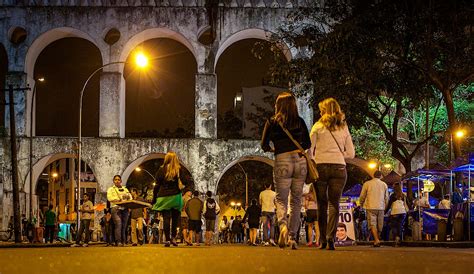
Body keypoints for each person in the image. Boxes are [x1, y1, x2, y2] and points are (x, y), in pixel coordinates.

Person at [261, 91, 311, 250]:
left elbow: (264, 144)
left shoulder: (272, 121)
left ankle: (282, 227)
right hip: (299, 160)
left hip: (282, 159)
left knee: (281, 199)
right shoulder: (300, 121)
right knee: (296, 201)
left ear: (278, 105)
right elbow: (308, 143)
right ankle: (292, 237)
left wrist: (273, 148)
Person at [309, 98, 355, 250]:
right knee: (334, 204)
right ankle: (331, 239)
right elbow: (351, 153)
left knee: (321, 205)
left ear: (324, 110)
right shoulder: (343, 127)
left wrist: (317, 159)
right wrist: (340, 155)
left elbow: (309, 151)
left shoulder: (317, 126)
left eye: (321, 109)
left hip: (321, 168)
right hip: (339, 169)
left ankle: (322, 239)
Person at [152, 152, 187, 247]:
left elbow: (157, 186)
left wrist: (154, 198)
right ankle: (174, 238)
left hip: (163, 196)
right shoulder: (179, 169)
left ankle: (167, 240)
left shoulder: (161, 170)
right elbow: (185, 181)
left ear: (166, 159)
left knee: (166, 218)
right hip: (176, 196)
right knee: (175, 219)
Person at [359, 170, 389, 247]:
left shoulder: (367, 184)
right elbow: (386, 197)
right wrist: (385, 207)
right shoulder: (384, 184)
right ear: (381, 176)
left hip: (370, 206)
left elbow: (362, 196)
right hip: (381, 207)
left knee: (372, 224)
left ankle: (376, 240)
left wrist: (361, 204)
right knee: (380, 225)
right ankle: (377, 240)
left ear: (373, 175)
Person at [107, 174, 132, 246]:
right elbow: (110, 198)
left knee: (124, 226)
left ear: (121, 181)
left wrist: (127, 200)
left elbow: (130, 197)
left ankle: (123, 241)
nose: (117, 181)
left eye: (118, 179)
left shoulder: (125, 189)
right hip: (116, 208)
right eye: (116, 180)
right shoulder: (111, 189)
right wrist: (118, 199)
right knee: (118, 224)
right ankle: (118, 241)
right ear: (113, 181)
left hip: (125, 208)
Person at [259, 181, 277, 246]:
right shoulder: (274, 193)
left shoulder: (262, 193)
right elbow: (276, 202)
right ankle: (272, 239)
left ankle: (266, 240)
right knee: (272, 225)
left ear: (265, 186)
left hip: (264, 211)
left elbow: (260, 203)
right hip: (272, 211)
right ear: (270, 186)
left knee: (265, 226)